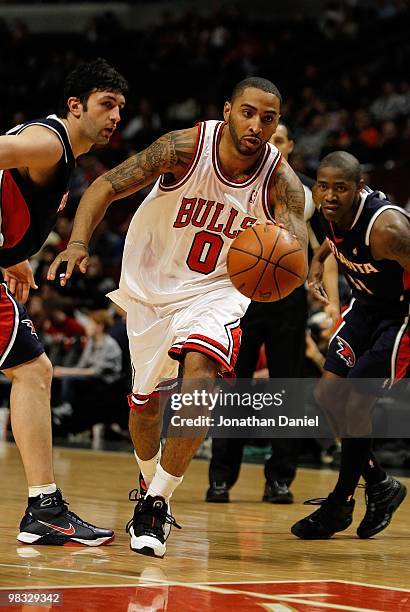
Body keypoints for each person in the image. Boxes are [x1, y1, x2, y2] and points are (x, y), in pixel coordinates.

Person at [48, 76, 308, 558]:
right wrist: (79, 243)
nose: (256, 126)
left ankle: (157, 504)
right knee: (144, 406)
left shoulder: (279, 178)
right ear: (227, 110)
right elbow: (105, 185)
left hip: (215, 290)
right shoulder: (184, 149)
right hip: (151, 286)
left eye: (268, 119)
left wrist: (286, 251)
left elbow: (296, 247)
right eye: (248, 113)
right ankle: (149, 486)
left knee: (201, 377)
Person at [0, 57, 127, 545]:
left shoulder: (56, 148)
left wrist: (12, 255)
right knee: (33, 371)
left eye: (120, 107)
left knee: (31, 371)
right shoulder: (50, 142)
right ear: (75, 106)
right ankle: (44, 508)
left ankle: (43, 507)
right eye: (106, 105)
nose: (115, 116)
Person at [206, 121, 340, 504]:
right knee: (234, 389)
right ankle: (220, 478)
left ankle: (280, 479)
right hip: (241, 297)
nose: (274, 144)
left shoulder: (307, 192)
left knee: (288, 392)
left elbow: (328, 251)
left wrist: (331, 302)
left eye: (281, 139)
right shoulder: (238, 180)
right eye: (270, 138)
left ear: (292, 146)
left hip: (288, 300)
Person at [291, 151, 408, 540]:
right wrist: (316, 260)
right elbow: (331, 241)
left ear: (359, 188)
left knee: (358, 400)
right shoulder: (329, 208)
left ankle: (339, 504)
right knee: (326, 395)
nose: (329, 195)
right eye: (323, 186)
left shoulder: (388, 229)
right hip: (366, 307)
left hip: (401, 318)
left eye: (340, 188)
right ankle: (380, 485)